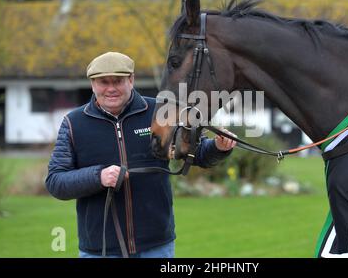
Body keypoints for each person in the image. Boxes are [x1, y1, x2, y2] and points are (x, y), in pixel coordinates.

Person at [46, 52, 236, 258]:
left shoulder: (161, 111)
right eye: (103, 82)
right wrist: (98, 176)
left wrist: (218, 147)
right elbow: (56, 182)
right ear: (92, 84)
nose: (111, 88)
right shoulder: (74, 123)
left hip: (156, 246)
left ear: (131, 80)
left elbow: (195, 154)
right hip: (100, 249)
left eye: (117, 81)